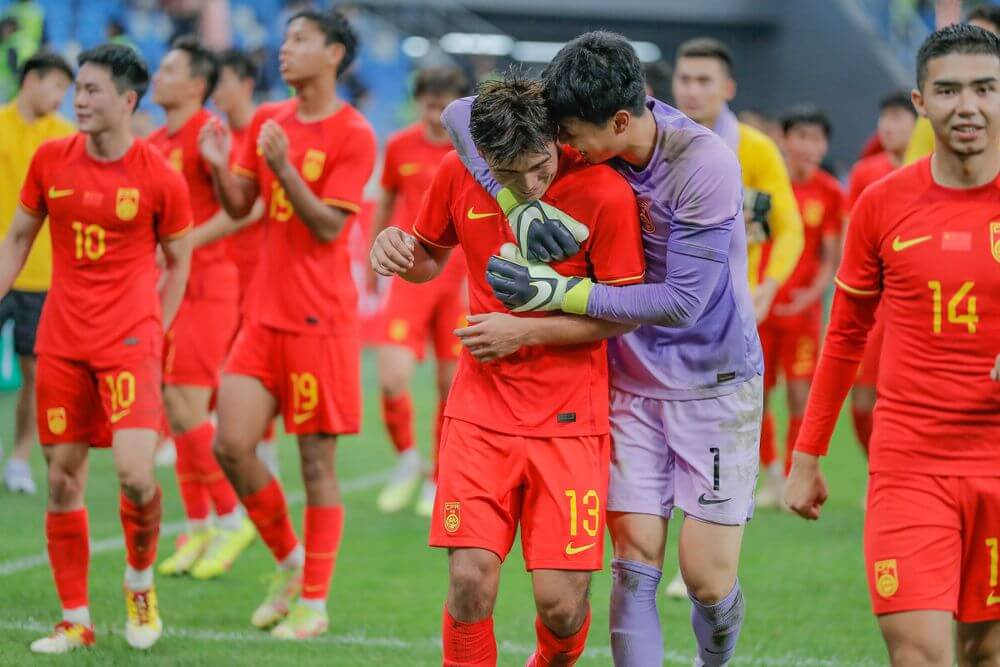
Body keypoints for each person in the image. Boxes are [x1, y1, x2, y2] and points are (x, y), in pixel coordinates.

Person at [442, 31, 762, 667]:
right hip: (629, 385)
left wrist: (560, 292)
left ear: (620, 121)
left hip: (714, 385)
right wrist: (514, 199)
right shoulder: (589, 126)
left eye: (574, 137)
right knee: (634, 561)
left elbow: (679, 303)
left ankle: (714, 658)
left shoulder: (704, 164)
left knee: (704, 580)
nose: (564, 151)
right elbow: (460, 115)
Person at [373, 70, 645, 667]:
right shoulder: (454, 174)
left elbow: (625, 314)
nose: (527, 184)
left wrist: (524, 329)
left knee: (560, 604)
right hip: (479, 414)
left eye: (539, 167)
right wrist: (395, 249)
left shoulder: (605, 192)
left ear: (555, 137)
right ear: (482, 159)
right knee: (470, 580)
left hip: (570, 419)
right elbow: (427, 261)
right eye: (507, 172)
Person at [786, 24, 1000, 666]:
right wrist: (807, 455)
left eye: (986, 88)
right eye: (950, 90)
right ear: (920, 104)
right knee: (920, 652)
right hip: (909, 461)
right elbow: (845, 333)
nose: (968, 105)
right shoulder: (881, 204)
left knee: (985, 650)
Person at [0, 43, 193, 653]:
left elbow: (179, 261)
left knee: (137, 476)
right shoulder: (51, 160)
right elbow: (16, 239)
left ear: (128, 100)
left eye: (91, 90)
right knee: (62, 482)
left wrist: (155, 330)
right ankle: (75, 618)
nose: (78, 100)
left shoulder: (159, 176)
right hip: (62, 340)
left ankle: (140, 585)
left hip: (130, 341)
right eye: (77, 89)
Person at [199, 8, 376, 639]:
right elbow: (242, 206)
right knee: (231, 444)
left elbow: (331, 226)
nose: (284, 49)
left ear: (333, 53)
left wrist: (283, 169)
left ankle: (314, 603)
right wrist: (223, 165)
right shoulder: (271, 120)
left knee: (315, 466)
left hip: (320, 322)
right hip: (263, 317)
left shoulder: (354, 132)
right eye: (285, 38)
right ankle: (290, 564)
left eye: (299, 40)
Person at [148, 35, 255, 580]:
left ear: (196, 84)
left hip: (209, 284)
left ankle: (233, 517)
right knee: (174, 405)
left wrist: (182, 245)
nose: (157, 76)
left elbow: (242, 211)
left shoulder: (209, 133)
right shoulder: (153, 138)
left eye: (169, 69)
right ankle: (199, 523)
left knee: (188, 402)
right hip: (168, 285)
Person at [370, 66, 471, 517]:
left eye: (442, 104)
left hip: (458, 279)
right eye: (427, 104)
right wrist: (373, 265)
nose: (434, 114)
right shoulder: (398, 145)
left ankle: (437, 475)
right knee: (391, 376)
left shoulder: (474, 150)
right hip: (412, 276)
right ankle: (406, 459)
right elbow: (387, 203)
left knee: (450, 386)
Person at [671, 37, 803, 325]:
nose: (692, 90)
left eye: (704, 81)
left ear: (728, 88)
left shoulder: (757, 148)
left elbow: (790, 228)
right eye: (685, 79)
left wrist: (769, 287)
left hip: (733, 306)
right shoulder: (655, 144)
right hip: (665, 306)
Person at [755, 106, 843, 508]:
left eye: (817, 139)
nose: (810, 146)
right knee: (757, 394)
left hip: (803, 314)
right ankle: (769, 473)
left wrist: (812, 295)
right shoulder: (768, 187)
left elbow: (830, 257)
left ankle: (793, 473)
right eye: (801, 137)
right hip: (762, 308)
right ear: (785, 139)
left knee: (798, 393)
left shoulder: (829, 192)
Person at [0, 51, 73, 494]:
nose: (62, 98)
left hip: (43, 274)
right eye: (58, 87)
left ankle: (19, 459)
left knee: (35, 375)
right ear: (32, 80)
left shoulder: (64, 137)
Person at [207, 47, 277, 476]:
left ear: (245, 84)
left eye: (224, 81)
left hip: (257, 270)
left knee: (250, 362)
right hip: (221, 268)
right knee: (224, 361)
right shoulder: (215, 135)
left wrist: (188, 240)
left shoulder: (263, 133)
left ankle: (263, 448)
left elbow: (253, 206)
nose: (217, 91)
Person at [845, 91, 917, 454]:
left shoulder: (932, 169)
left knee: (911, 393)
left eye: (898, 117)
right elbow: (851, 235)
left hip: (916, 300)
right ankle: (877, 467)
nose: (889, 126)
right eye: (884, 117)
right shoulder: (866, 173)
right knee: (862, 397)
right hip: (875, 302)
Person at [903, 4, 1000, 163]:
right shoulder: (936, 112)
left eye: (983, 43)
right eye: (966, 39)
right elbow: (912, 173)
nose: (970, 49)